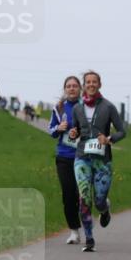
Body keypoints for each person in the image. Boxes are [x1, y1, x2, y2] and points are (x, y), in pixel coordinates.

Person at [69, 71, 125, 252]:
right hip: (82, 157)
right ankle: (89, 238)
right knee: (84, 197)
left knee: (99, 200)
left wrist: (109, 139)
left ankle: (104, 209)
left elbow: (122, 131)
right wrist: (73, 133)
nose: (91, 85)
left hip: (102, 160)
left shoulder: (108, 107)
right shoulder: (77, 108)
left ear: (100, 84)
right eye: (88, 82)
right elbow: (76, 128)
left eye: (94, 82)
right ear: (84, 85)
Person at [48, 76, 83, 245]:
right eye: (68, 86)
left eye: (75, 86)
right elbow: (51, 130)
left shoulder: (87, 107)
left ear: (80, 89)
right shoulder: (59, 107)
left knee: (83, 194)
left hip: (84, 157)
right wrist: (58, 128)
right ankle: (74, 231)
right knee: (68, 194)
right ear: (64, 89)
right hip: (64, 156)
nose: (71, 88)